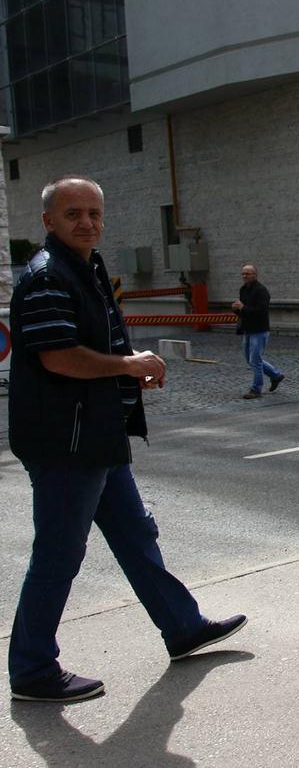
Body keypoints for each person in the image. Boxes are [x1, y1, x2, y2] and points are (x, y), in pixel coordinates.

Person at [7, 175, 247, 703]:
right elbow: (59, 356)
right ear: (48, 221)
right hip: (65, 443)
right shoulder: (49, 276)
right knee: (59, 553)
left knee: (136, 535)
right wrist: (127, 364)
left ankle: (182, 627)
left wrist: (127, 372)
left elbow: (88, 349)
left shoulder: (83, 268)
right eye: (73, 214)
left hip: (96, 435)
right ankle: (30, 669)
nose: (86, 222)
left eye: (94, 212)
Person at [232, 264, 284, 399]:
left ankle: (256, 389)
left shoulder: (261, 291)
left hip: (259, 330)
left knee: (255, 360)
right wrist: (236, 309)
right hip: (248, 330)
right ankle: (276, 375)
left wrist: (243, 308)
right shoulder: (243, 289)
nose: (244, 276)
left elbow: (261, 312)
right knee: (251, 360)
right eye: (243, 273)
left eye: (247, 273)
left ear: (255, 275)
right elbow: (244, 311)